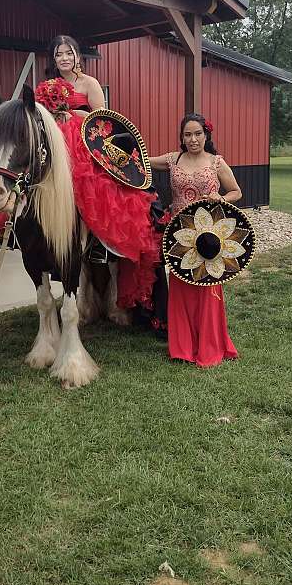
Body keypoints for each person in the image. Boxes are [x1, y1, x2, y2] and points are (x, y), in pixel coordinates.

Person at [43, 35, 160, 310]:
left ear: (78, 56)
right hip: (57, 145)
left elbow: (103, 119)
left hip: (85, 145)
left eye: (68, 53)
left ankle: (103, 246)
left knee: (104, 194)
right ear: (53, 58)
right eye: (58, 54)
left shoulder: (89, 83)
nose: (64, 58)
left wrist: (74, 115)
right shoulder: (48, 86)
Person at [150, 114, 242, 366]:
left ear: (206, 135)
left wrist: (222, 199)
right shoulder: (172, 159)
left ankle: (209, 345)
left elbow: (236, 191)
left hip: (208, 238)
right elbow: (142, 162)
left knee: (206, 288)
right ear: (182, 137)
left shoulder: (216, 162)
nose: (193, 139)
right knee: (181, 288)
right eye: (187, 134)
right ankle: (182, 347)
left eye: (197, 134)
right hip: (179, 235)